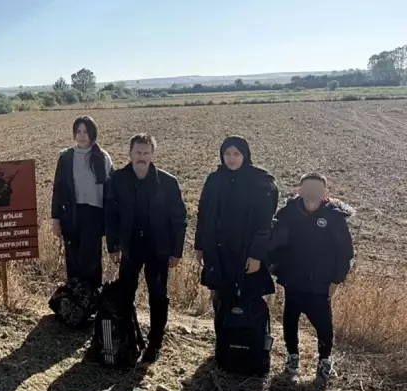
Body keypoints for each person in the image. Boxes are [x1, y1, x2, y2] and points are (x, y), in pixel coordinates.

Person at [105, 133, 187, 364]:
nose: (142, 157)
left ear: (153, 154)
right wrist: (113, 246)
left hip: (158, 249)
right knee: (125, 294)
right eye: (138, 152)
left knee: (158, 296)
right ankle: (126, 339)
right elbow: (110, 216)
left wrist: (176, 251)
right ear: (130, 153)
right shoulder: (118, 179)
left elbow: (179, 218)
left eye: (146, 153)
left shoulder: (168, 182)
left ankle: (155, 342)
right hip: (130, 248)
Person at [270, 173, 354, 381]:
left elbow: (345, 252)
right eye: (308, 188)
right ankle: (292, 357)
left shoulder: (334, 217)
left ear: (325, 193)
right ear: (300, 190)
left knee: (324, 324)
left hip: (321, 281)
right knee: (290, 320)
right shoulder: (288, 213)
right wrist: (276, 267)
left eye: (317, 189)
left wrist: (336, 280)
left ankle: (324, 361)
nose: (312, 193)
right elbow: (276, 244)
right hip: (293, 279)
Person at [194, 135, 279, 327]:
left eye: (236, 153)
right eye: (227, 153)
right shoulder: (214, 180)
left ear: (245, 155)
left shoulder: (260, 182)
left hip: (247, 253)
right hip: (219, 252)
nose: (231, 158)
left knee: (250, 300)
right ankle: (223, 347)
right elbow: (204, 214)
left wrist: (256, 255)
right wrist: (200, 246)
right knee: (221, 299)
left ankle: (253, 348)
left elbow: (264, 223)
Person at [51, 116, 113, 288]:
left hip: (94, 215)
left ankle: (92, 301)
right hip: (71, 214)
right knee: (72, 259)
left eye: (86, 131)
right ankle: (74, 304)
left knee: (91, 261)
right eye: (78, 131)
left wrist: (111, 222)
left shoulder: (103, 157)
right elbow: (58, 190)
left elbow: (110, 192)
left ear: (93, 133)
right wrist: (55, 219)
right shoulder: (66, 158)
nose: (82, 135)